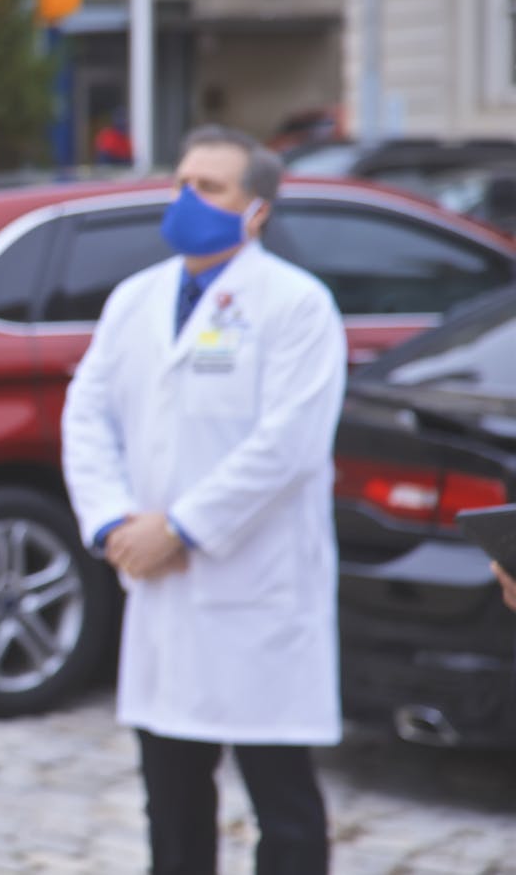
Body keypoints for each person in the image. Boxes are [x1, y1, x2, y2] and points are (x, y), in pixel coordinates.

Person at [61, 124, 347, 875]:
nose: (189, 199)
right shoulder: (134, 301)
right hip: (161, 592)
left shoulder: (298, 306)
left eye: (211, 187)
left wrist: (182, 528)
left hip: (257, 591)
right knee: (173, 805)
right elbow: (87, 413)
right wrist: (114, 520)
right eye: (183, 181)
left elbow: (289, 444)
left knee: (282, 806)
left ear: (256, 211)